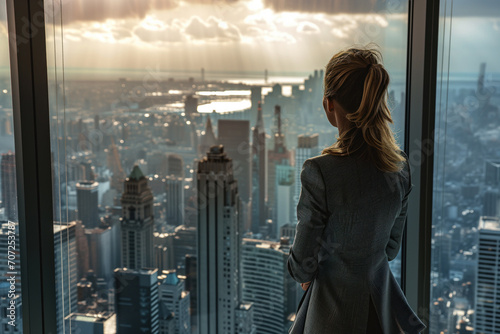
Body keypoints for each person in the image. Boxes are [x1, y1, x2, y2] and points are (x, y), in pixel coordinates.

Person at [287, 46, 426, 333]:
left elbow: (301, 266)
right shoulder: (400, 167)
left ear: (329, 104)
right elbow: (390, 248)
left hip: (332, 318)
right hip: (382, 313)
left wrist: (311, 269)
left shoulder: (320, 172)